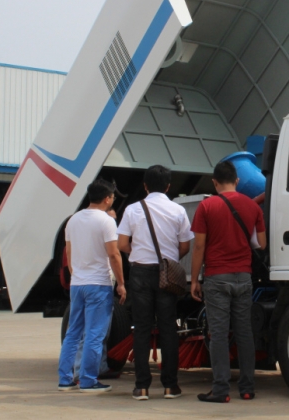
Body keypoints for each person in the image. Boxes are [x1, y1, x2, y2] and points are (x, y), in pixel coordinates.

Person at [190, 161, 266, 403]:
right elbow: (262, 244)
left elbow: (199, 246)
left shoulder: (206, 206)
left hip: (216, 277)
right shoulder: (252, 207)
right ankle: (247, 388)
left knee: (219, 334)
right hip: (243, 277)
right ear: (237, 181)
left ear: (214, 182)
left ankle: (221, 390)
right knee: (244, 333)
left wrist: (194, 280)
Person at [117, 165, 192, 400]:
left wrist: (139, 254)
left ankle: (141, 387)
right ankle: (170, 386)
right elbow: (185, 246)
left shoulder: (132, 209)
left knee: (142, 328)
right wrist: (168, 260)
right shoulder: (178, 210)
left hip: (139, 273)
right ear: (168, 186)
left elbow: (122, 244)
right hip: (166, 273)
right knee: (168, 328)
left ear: (145, 185)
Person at [57, 179, 126, 393]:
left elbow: (69, 253)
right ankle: (88, 380)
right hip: (98, 284)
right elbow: (114, 254)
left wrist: (76, 276)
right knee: (95, 334)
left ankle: (65, 379)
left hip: (78, 284)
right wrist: (121, 283)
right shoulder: (106, 221)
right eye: (112, 197)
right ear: (107, 199)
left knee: (73, 333)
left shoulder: (73, 220)